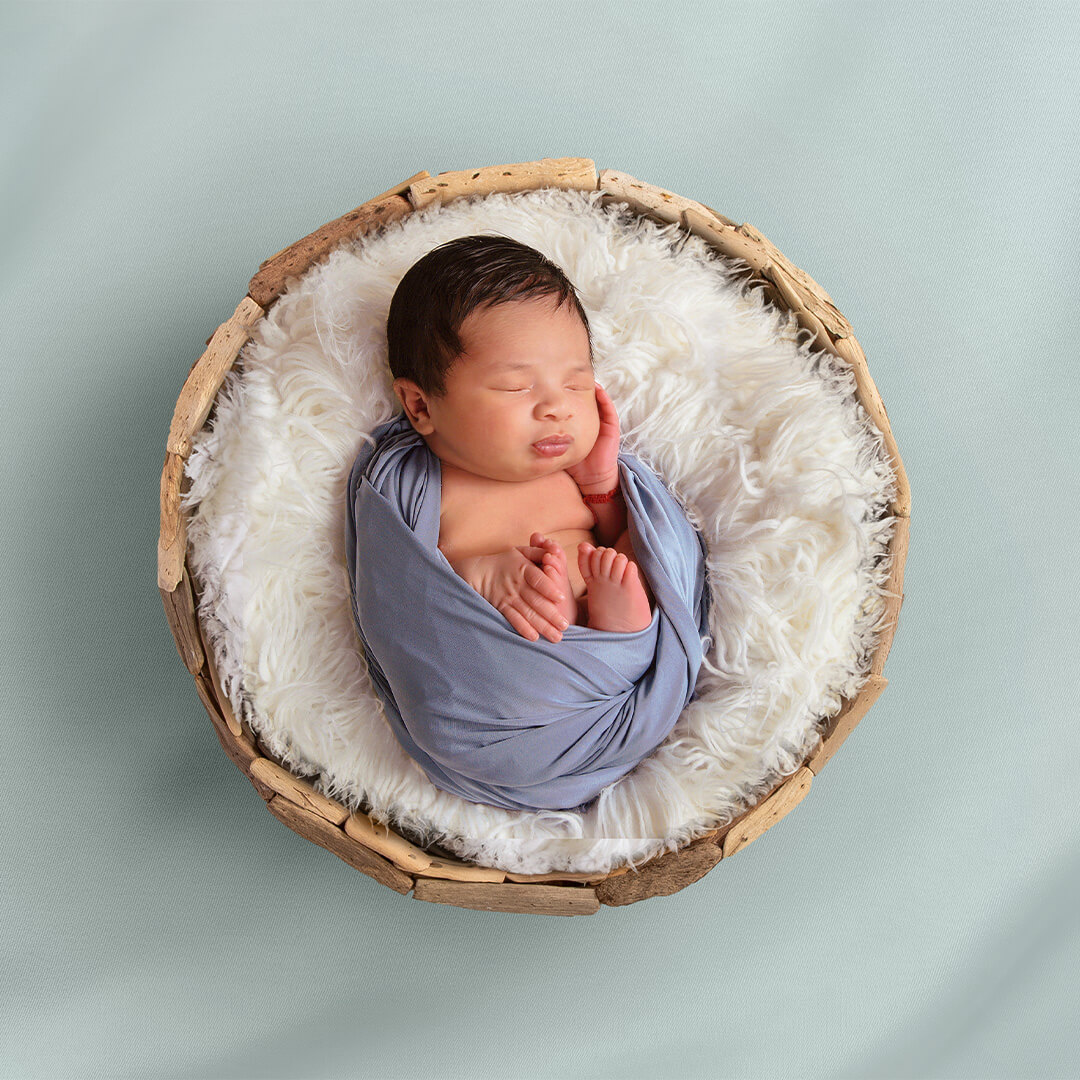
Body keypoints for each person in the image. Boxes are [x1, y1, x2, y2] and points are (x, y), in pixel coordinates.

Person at [386, 234, 655, 644]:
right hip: (508, 639)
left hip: (597, 603)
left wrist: (601, 486)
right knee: (541, 600)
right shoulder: (418, 488)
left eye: (576, 385)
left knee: (640, 554)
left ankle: (619, 627)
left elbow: (615, 534)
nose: (557, 408)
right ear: (421, 407)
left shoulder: (569, 474)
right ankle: (577, 621)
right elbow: (401, 591)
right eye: (515, 387)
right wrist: (477, 576)